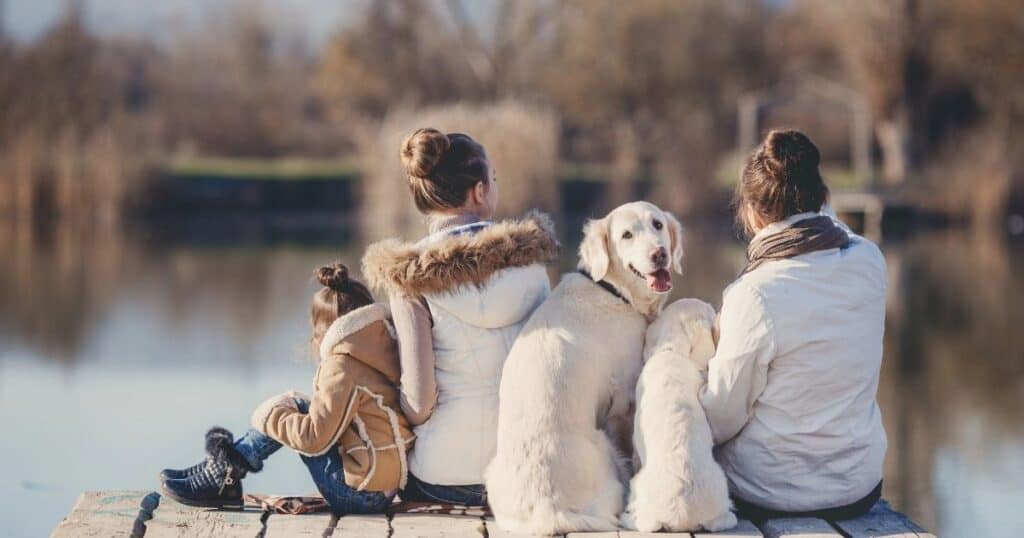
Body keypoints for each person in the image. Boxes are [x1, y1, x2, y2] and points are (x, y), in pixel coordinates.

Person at [360, 128, 559, 506]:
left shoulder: (409, 277)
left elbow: (420, 402)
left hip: (444, 478)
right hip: (526, 472)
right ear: (479, 191)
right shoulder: (532, 262)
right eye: (493, 179)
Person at [700, 129, 887, 520]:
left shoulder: (754, 295)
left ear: (753, 213)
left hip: (771, 492)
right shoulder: (869, 261)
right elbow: (831, 228)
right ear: (823, 197)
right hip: (859, 486)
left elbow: (719, 420)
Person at [158, 263, 414, 514]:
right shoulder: (380, 353)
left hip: (362, 494)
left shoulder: (342, 366)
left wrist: (271, 416)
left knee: (292, 411)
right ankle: (221, 471)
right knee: (298, 408)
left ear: (322, 332)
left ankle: (223, 474)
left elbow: (314, 439)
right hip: (383, 485)